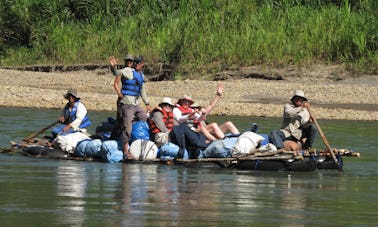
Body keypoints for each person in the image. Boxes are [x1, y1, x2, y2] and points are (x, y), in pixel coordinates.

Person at [108, 54, 153, 160]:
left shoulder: (141, 75)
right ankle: (125, 150)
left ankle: (149, 142)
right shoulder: (128, 71)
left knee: (146, 119)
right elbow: (117, 73)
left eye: (138, 63)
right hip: (127, 104)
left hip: (136, 105)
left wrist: (147, 104)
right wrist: (113, 67)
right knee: (127, 126)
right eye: (135, 62)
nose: (136, 64)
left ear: (142, 64)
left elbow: (142, 90)